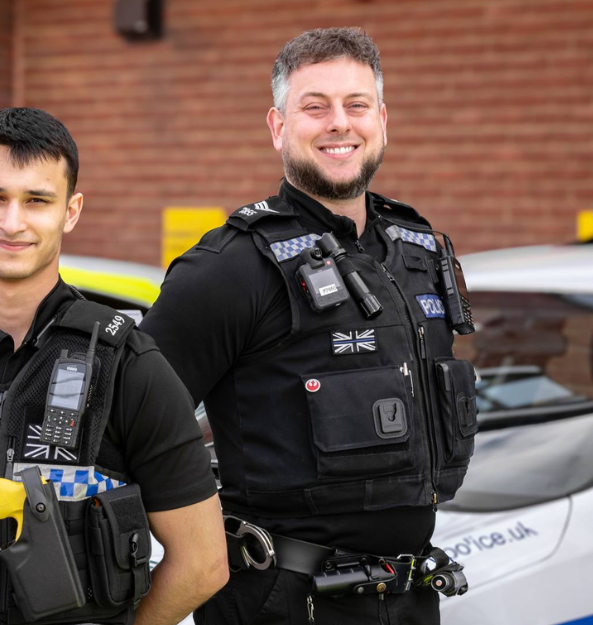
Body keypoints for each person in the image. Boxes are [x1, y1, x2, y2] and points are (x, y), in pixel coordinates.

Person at [140, 28, 477, 625]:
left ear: (382, 120)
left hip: (411, 598)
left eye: (356, 105)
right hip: (282, 601)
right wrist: (195, 557)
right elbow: (131, 431)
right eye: (314, 107)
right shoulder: (229, 270)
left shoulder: (419, 253)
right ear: (278, 127)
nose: (338, 124)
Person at [0, 107, 228, 625]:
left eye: (36, 200)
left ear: (71, 211)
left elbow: (204, 563)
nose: (13, 222)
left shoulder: (129, 368)